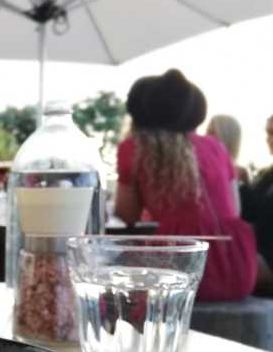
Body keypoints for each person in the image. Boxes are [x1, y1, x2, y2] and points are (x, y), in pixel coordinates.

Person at [115, 69, 255, 301]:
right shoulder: (216, 147)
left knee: (111, 279)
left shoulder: (136, 148)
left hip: (182, 264)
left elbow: (127, 214)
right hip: (238, 264)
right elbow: (235, 209)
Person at [239, 114, 273, 294]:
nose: (268, 139)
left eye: (272, 133)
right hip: (258, 255)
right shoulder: (266, 177)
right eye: (268, 133)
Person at [207, 114, 249, 184]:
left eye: (212, 134)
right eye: (207, 132)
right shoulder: (197, 167)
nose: (206, 137)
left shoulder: (239, 174)